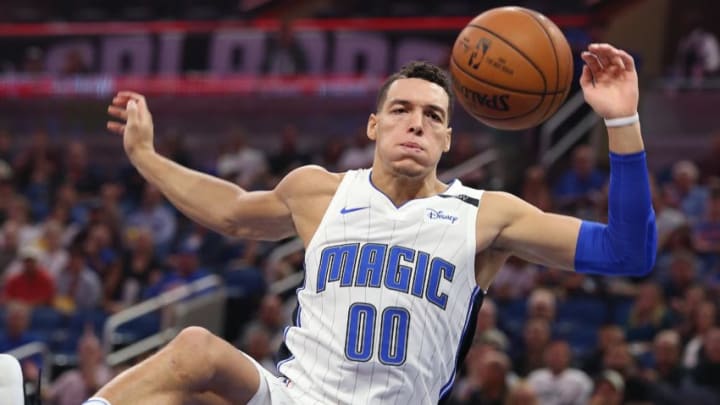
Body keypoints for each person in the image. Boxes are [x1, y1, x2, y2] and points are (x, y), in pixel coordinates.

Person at [89, 43, 656, 405]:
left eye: (433, 116)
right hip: (297, 399)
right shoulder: (318, 191)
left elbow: (628, 253)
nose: (416, 124)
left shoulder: (486, 215)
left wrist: (622, 120)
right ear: (373, 125)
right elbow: (233, 212)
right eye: (401, 110)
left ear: (449, 139)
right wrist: (146, 156)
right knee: (194, 353)